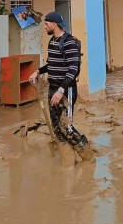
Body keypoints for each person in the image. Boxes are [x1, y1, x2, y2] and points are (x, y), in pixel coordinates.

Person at [28, 12, 90, 156]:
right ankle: (67, 159)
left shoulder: (69, 42)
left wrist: (61, 89)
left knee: (66, 127)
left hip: (65, 89)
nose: (44, 27)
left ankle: (88, 156)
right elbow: (51, 64)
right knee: (56, 127)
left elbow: (73, 68)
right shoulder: (53, 41)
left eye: (46, 24)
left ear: (54, 24)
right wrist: (37, 72)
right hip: (53, 87)